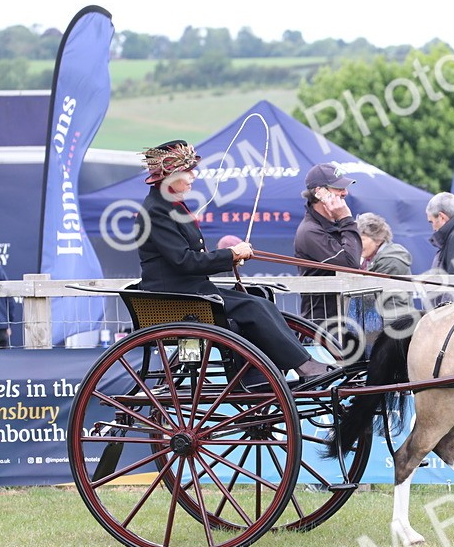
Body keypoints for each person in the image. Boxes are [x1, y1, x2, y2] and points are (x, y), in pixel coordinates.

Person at [134, 140, 330, 380]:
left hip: (191, 291)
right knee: (252, 307)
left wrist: (231, 257)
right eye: (188, 172)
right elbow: (184, 261)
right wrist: (231, 254)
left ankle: (267, 378)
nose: (194, 177)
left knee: (261, 301)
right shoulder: (156, 211)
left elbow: (189, 258)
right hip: (176, 298)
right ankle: (303, 366)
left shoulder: (170, 205)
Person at [294, 163, 363, 328]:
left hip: (343, 322)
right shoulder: (310, 231)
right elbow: (351, 265)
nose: (345, 192)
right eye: (338, 188)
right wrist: (346, 218)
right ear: (319, 192)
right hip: (322, 328)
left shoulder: (331, 224)